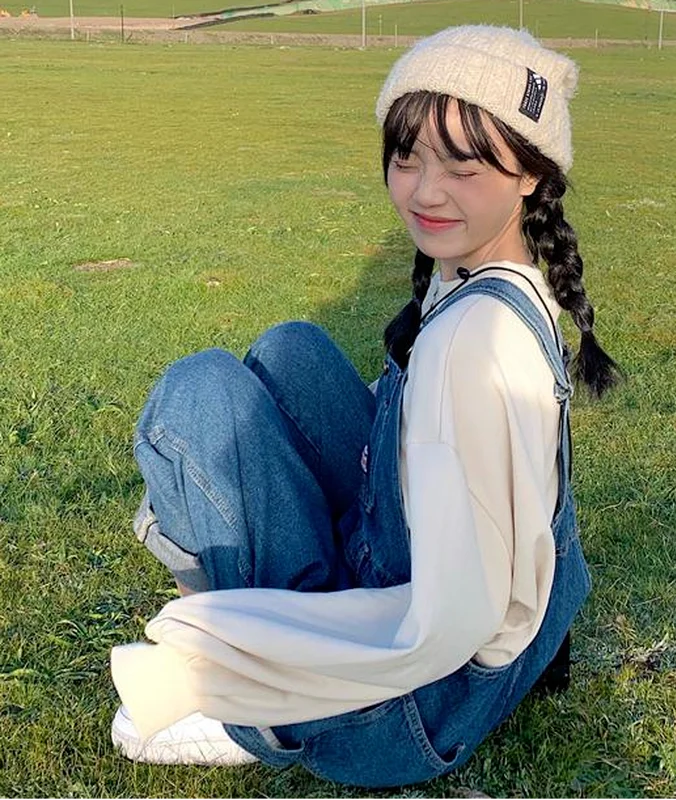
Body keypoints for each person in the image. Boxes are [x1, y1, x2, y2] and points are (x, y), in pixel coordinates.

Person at [109, 24, 619, 787]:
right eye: (408, 157)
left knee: (196, 397)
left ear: (529, 174)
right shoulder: (509, 280)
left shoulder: (469, 349)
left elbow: (447, 624)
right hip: (480, 603)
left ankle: (246, 685)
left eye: (463, 165)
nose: (425, 190)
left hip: (417, 706)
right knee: (290, 349)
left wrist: (228, 670)